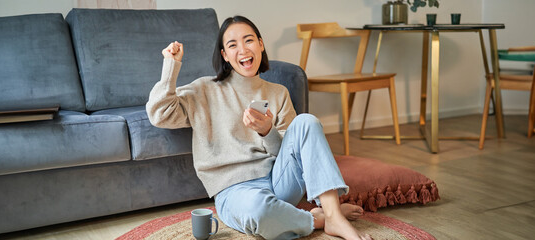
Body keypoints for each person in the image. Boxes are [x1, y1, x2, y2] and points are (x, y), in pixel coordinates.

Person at [146, 15, 371, 240]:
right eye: (232, 45)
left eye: (249, 40)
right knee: (260, 211)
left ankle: (333, 215)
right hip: (235, 192)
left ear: (261, 45)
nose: (242, 49)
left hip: (279, 182)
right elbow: (160, 115)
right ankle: (317, 219)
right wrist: (171, 66)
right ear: (224, 55)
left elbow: (292, 154)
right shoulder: (204, 90)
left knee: (307, 122)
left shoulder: (278, 93)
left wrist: (267, 131)